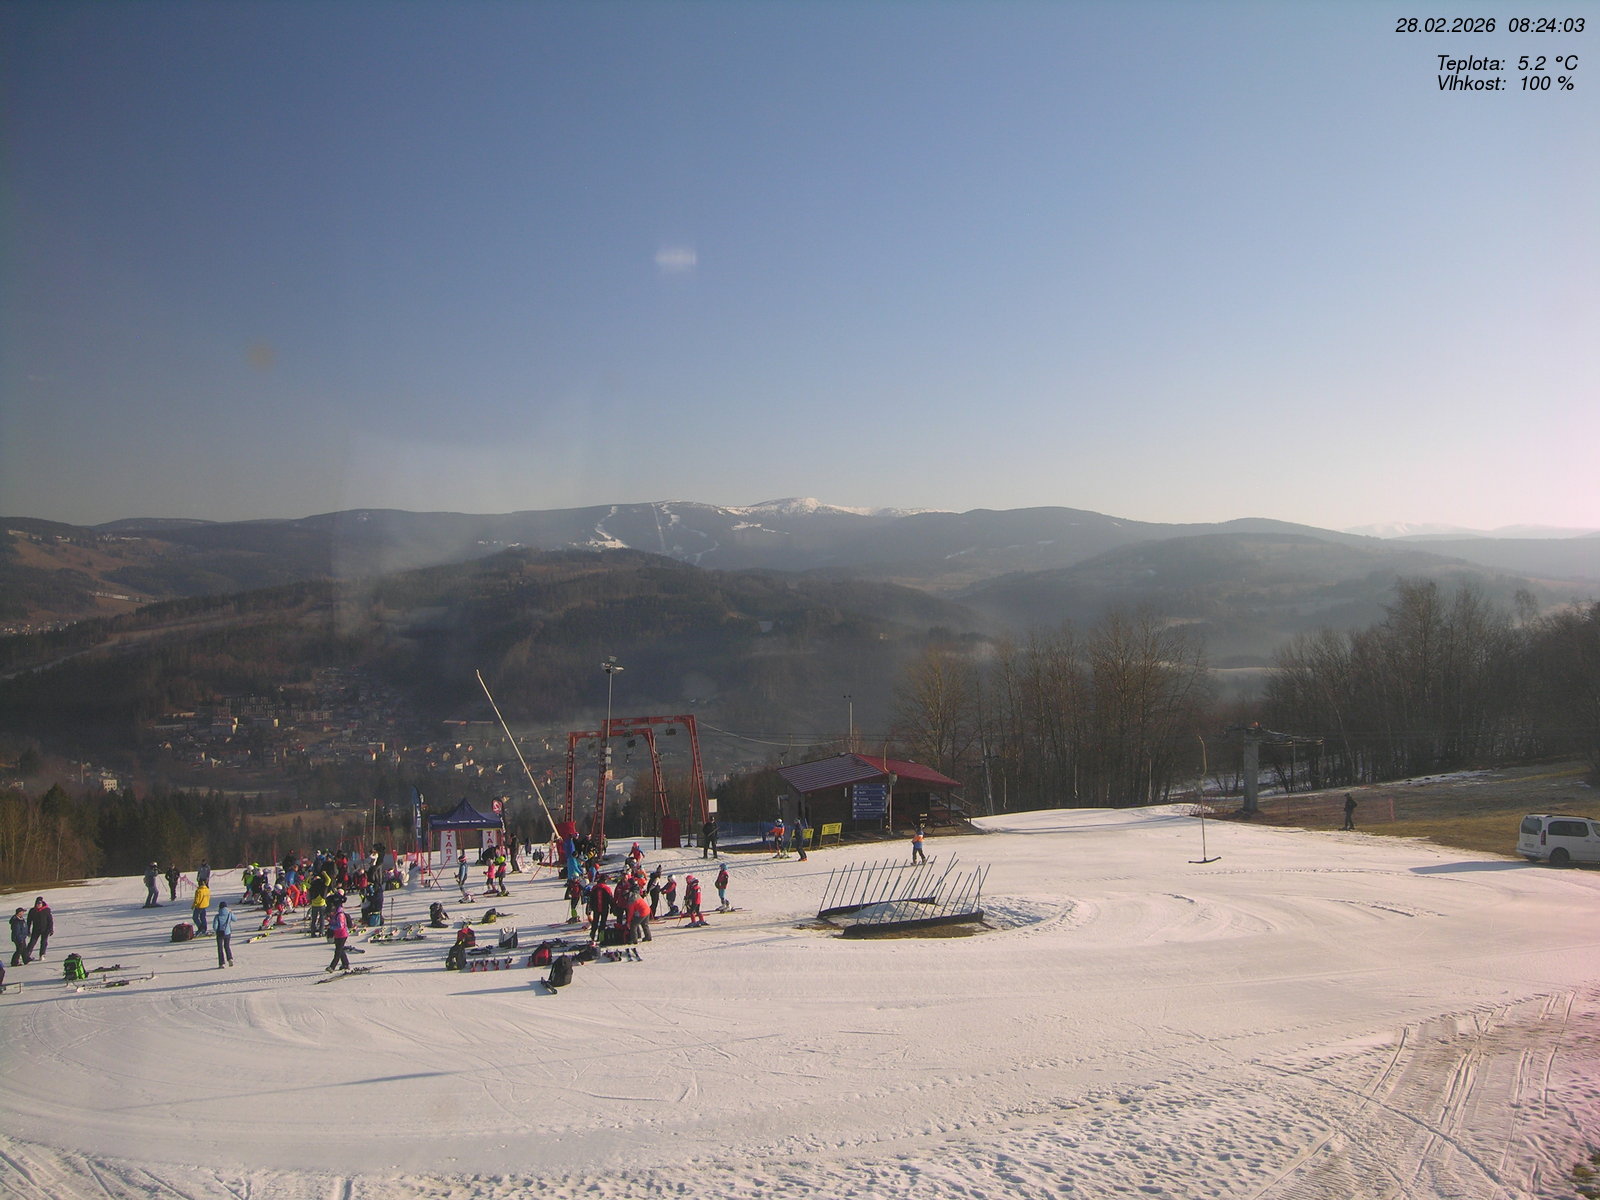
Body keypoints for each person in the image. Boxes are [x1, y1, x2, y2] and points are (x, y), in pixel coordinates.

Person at [326, 899, 351, 973]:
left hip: (343, 935)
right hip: (337, 935)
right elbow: (334, 922)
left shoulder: (340, 915)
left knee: (338, 951)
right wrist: (329, 921)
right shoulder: (334, 914)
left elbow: (340, 926)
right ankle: (345, 964)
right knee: (340, 950)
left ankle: (332, 967)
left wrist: (331, 927)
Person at [215, 901, 235, 968]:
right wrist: (231, 913)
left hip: (219, 933)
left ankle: (221, 963)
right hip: (227, 932)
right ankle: (230, 958)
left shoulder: (217, 916)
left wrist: (216, 930)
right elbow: (235, 919)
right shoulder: (229, 914)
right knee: (227, 946)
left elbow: (215, 926)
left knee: (220, 948)